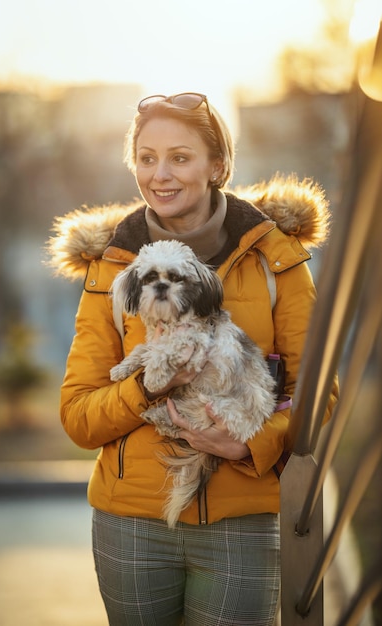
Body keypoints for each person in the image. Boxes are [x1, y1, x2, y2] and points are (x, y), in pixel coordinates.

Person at [48, 92, 338, 625]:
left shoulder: (277, 260)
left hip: (244, 521)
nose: (160, 174)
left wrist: (252, 442)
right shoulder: (110, 268)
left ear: (217, 166)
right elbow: (79, 416)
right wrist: (148, 388)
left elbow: (320, 392)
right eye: (147, 157)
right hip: (131, 525)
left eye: (180, 157)